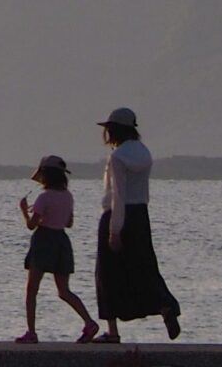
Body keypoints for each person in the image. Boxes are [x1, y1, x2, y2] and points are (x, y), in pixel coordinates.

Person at [92, 105, 182, 342]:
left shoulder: (117, 157)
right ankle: (165, 304)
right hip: (141, 215)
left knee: (107, 274)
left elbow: (118, 196)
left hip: (117, 214)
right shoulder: (144, 152)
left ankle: (112, 332)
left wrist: (114, 230)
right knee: (145, 267)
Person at [14, 153, 100, 343]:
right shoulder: (68, 196)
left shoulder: (44, 197)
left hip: (44, 240)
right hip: (62, 240)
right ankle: (89, 322)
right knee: (64, 291)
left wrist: (23, 210)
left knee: (32, 289)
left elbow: (31, 225)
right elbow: (68, 222)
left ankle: (31, 332)